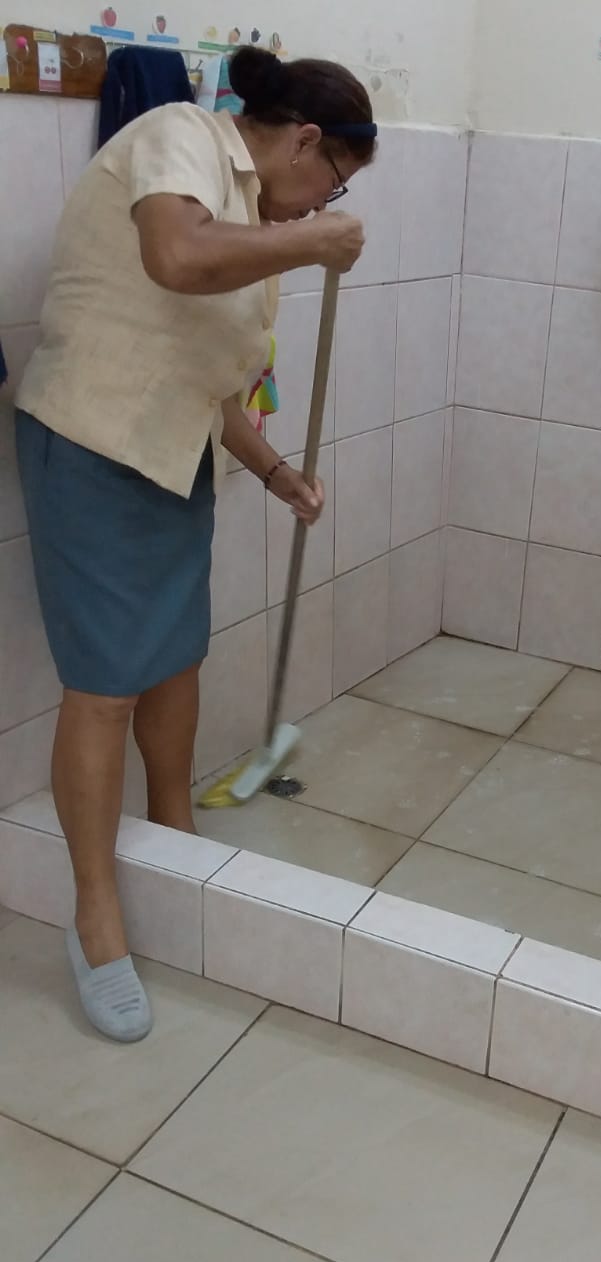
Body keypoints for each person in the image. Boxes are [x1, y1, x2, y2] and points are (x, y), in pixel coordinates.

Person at [14, 46, 375, 1043]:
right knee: (105, 687)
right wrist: (313, 241)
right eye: (333, 182)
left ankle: (177, 840)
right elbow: (174, 257)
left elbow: (210, 381)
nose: (324, 204)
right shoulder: (179, 136)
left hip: (177, 459)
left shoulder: (256, 217)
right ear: (305, 140)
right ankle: (96, 920)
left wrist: (275, 469)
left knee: (176, 659)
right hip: (93, 445)